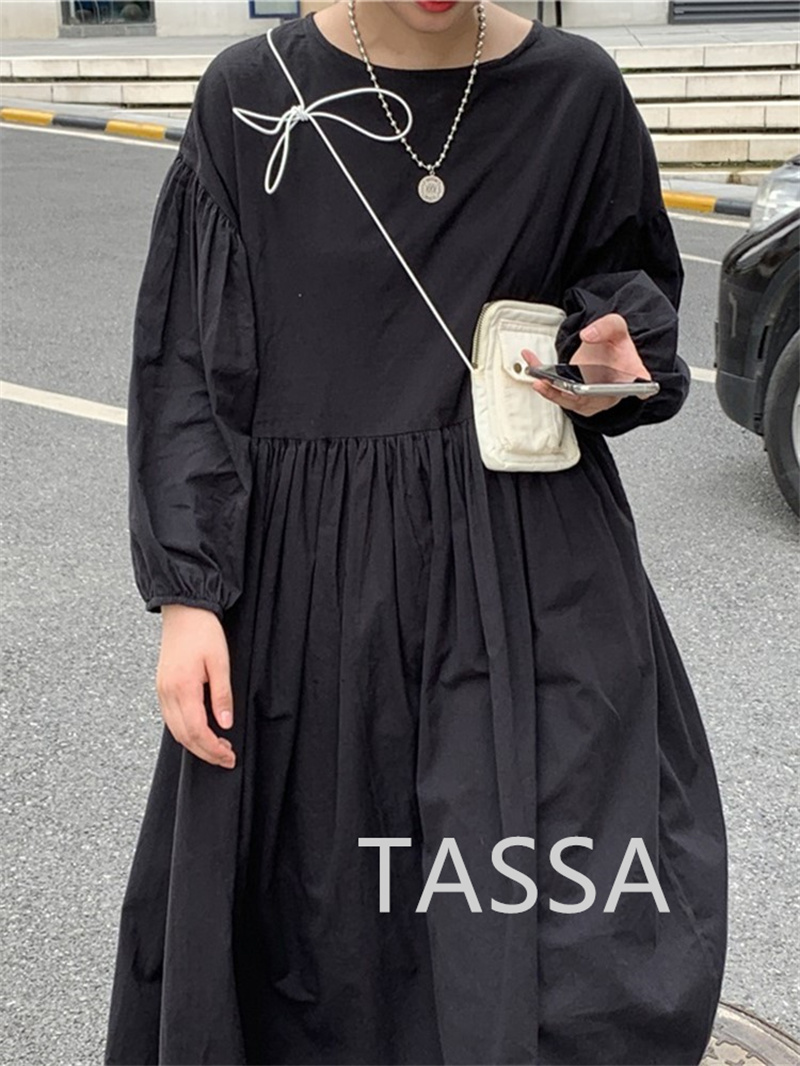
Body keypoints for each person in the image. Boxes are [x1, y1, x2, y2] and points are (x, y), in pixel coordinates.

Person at [104, 2, 728, 1063]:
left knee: (564, 924)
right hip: (307, 588)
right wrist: (188, 596)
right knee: (326, 933)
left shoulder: (576, 91)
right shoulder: (247, 92)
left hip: (529, 569)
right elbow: (191, 370)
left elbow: (625, 292)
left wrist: (612, 361)